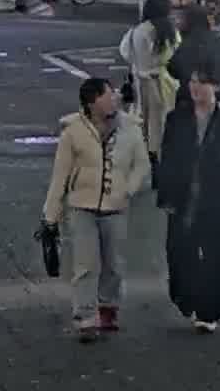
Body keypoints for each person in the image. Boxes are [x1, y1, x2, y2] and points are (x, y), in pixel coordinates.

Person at [41, 77, 150, 342]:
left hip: (116, 205)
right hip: (82, 206)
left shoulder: (130, 128)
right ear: (92, 102)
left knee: (113, 263)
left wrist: (128, 189)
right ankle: (85, 316)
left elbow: (142, 165)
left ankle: (108, 306)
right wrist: (50, 215)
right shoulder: (73, 132)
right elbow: (61, 176)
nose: (114, 97)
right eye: (107, 95)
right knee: (85, 264)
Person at [156, 65, 220, 332]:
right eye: (192, 82)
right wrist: (165, 194)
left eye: (202, 82)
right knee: (179, 251)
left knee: (214, 254)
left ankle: (210, 311)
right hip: (181, 195)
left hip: (213, 196)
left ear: (215, 86)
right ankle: (185, 296)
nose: (195, 87)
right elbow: (166, 158)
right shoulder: (177, 118)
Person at [117, 0, 178, 166]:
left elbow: (125, 53)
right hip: (163, 83)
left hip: (140, 83)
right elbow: (173, 54)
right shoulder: (167, 32)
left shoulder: (135, 32)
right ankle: (158, 159)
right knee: (160, 124)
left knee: (141, 122)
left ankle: (143, 159)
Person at [168, 5, 220, 108]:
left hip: (187, 98)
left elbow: (172, 68)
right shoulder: (216, 39)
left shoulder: (187, 42)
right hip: (211, 97)